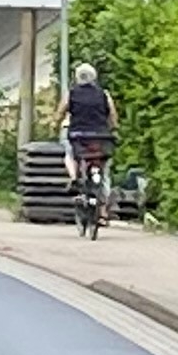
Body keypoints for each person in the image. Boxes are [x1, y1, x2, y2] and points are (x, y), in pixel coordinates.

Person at [60, 61, 119, 232]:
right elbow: (113, 115)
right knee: (105, 172)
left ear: (77, 78)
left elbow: (61, 111)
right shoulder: (104, 94)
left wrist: (55, 121)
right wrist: (114, 129)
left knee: (70, 152)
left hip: (79, 136)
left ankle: (74, 177)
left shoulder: (71, 94)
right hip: (101, 137)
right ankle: (102, 213)